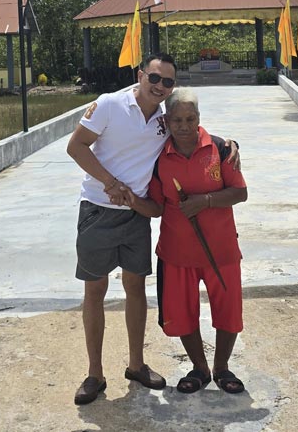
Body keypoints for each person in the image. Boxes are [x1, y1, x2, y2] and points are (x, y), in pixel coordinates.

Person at [65, 52, 239, 406]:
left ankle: (136, 364)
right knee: (95, 289)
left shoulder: (163, 120)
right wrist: (110, 183)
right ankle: (95, 373)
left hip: (138, 214)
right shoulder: (110, 104)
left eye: (168, 82)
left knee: (135, 288)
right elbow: (75, 146)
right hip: (98, 209)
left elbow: (190, 130)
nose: (160, 86)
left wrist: (230, 145)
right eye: (155, 78)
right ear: (140, 74)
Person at [146, 87, 248, 395]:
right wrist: (125, 198)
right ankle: (200, 368)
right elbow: (154, 205)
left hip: (221, 249)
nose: (184, 126)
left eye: (190, 119)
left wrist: (204, 201)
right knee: (182, 314)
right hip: (176, 252)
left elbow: (240, 193)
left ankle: (221, 367)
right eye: (177, 120)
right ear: (167, 120)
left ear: (199, 118)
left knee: (228, 311)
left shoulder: (220, 149)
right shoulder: (159, 157)